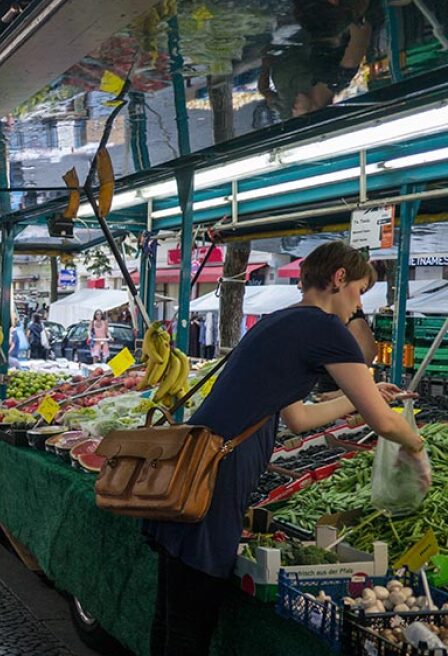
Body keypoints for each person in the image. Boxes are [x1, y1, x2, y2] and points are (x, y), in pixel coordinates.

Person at [144, 241, 429, 656]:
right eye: (360, 292)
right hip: (215, 479)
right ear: (339, 279)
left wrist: (361, 397)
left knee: (173, 615)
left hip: (191, 471)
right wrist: (417, 446)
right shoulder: (326, 328)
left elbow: (298, 418)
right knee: (191, 625)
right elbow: (383, 423)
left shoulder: (279, 321)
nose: (357, 306)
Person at [314, 304, 378, 400]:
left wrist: (344, 392)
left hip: (333, 395)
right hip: (328, 395)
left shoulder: (345, 308)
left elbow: (368, 350)